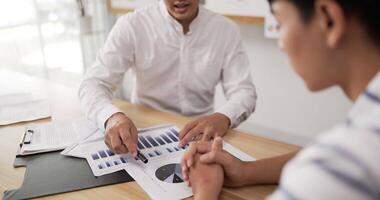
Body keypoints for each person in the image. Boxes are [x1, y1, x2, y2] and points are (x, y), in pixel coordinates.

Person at [181, 0, 380, 199]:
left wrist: (206, 188)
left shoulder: (330, 174)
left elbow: (334, 159)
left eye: (280, 23)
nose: (281, 44)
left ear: (328, 19)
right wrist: (246, 171)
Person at [78, 0, 257, 156]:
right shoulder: (132, 24)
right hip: (142, 133)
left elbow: (244, 92)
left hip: (201, 134)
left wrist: (224, 117)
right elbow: (93, 83)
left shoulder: (225, 29)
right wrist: (111, 117)